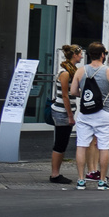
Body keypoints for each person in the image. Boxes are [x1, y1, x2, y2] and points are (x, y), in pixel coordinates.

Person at [71, 43, 109, 189]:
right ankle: (102, 181)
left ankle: (81, 180)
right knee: (104, 147)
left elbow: (73, 92)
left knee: (81, 145)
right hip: (104, 114)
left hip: (85, 114)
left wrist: (89, 96)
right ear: (102, 55)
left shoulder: (80, 71)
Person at [48, 44, 80, 185]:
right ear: (74, 55)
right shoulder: (66, 73)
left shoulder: (69, 70)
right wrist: (70, 116)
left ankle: (55, 173)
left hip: (64, 111)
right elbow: (65, 96)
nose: (82, 56)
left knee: (62, 143)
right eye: (80, 54)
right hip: (62, 112)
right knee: (60, 143)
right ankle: (55, 174)